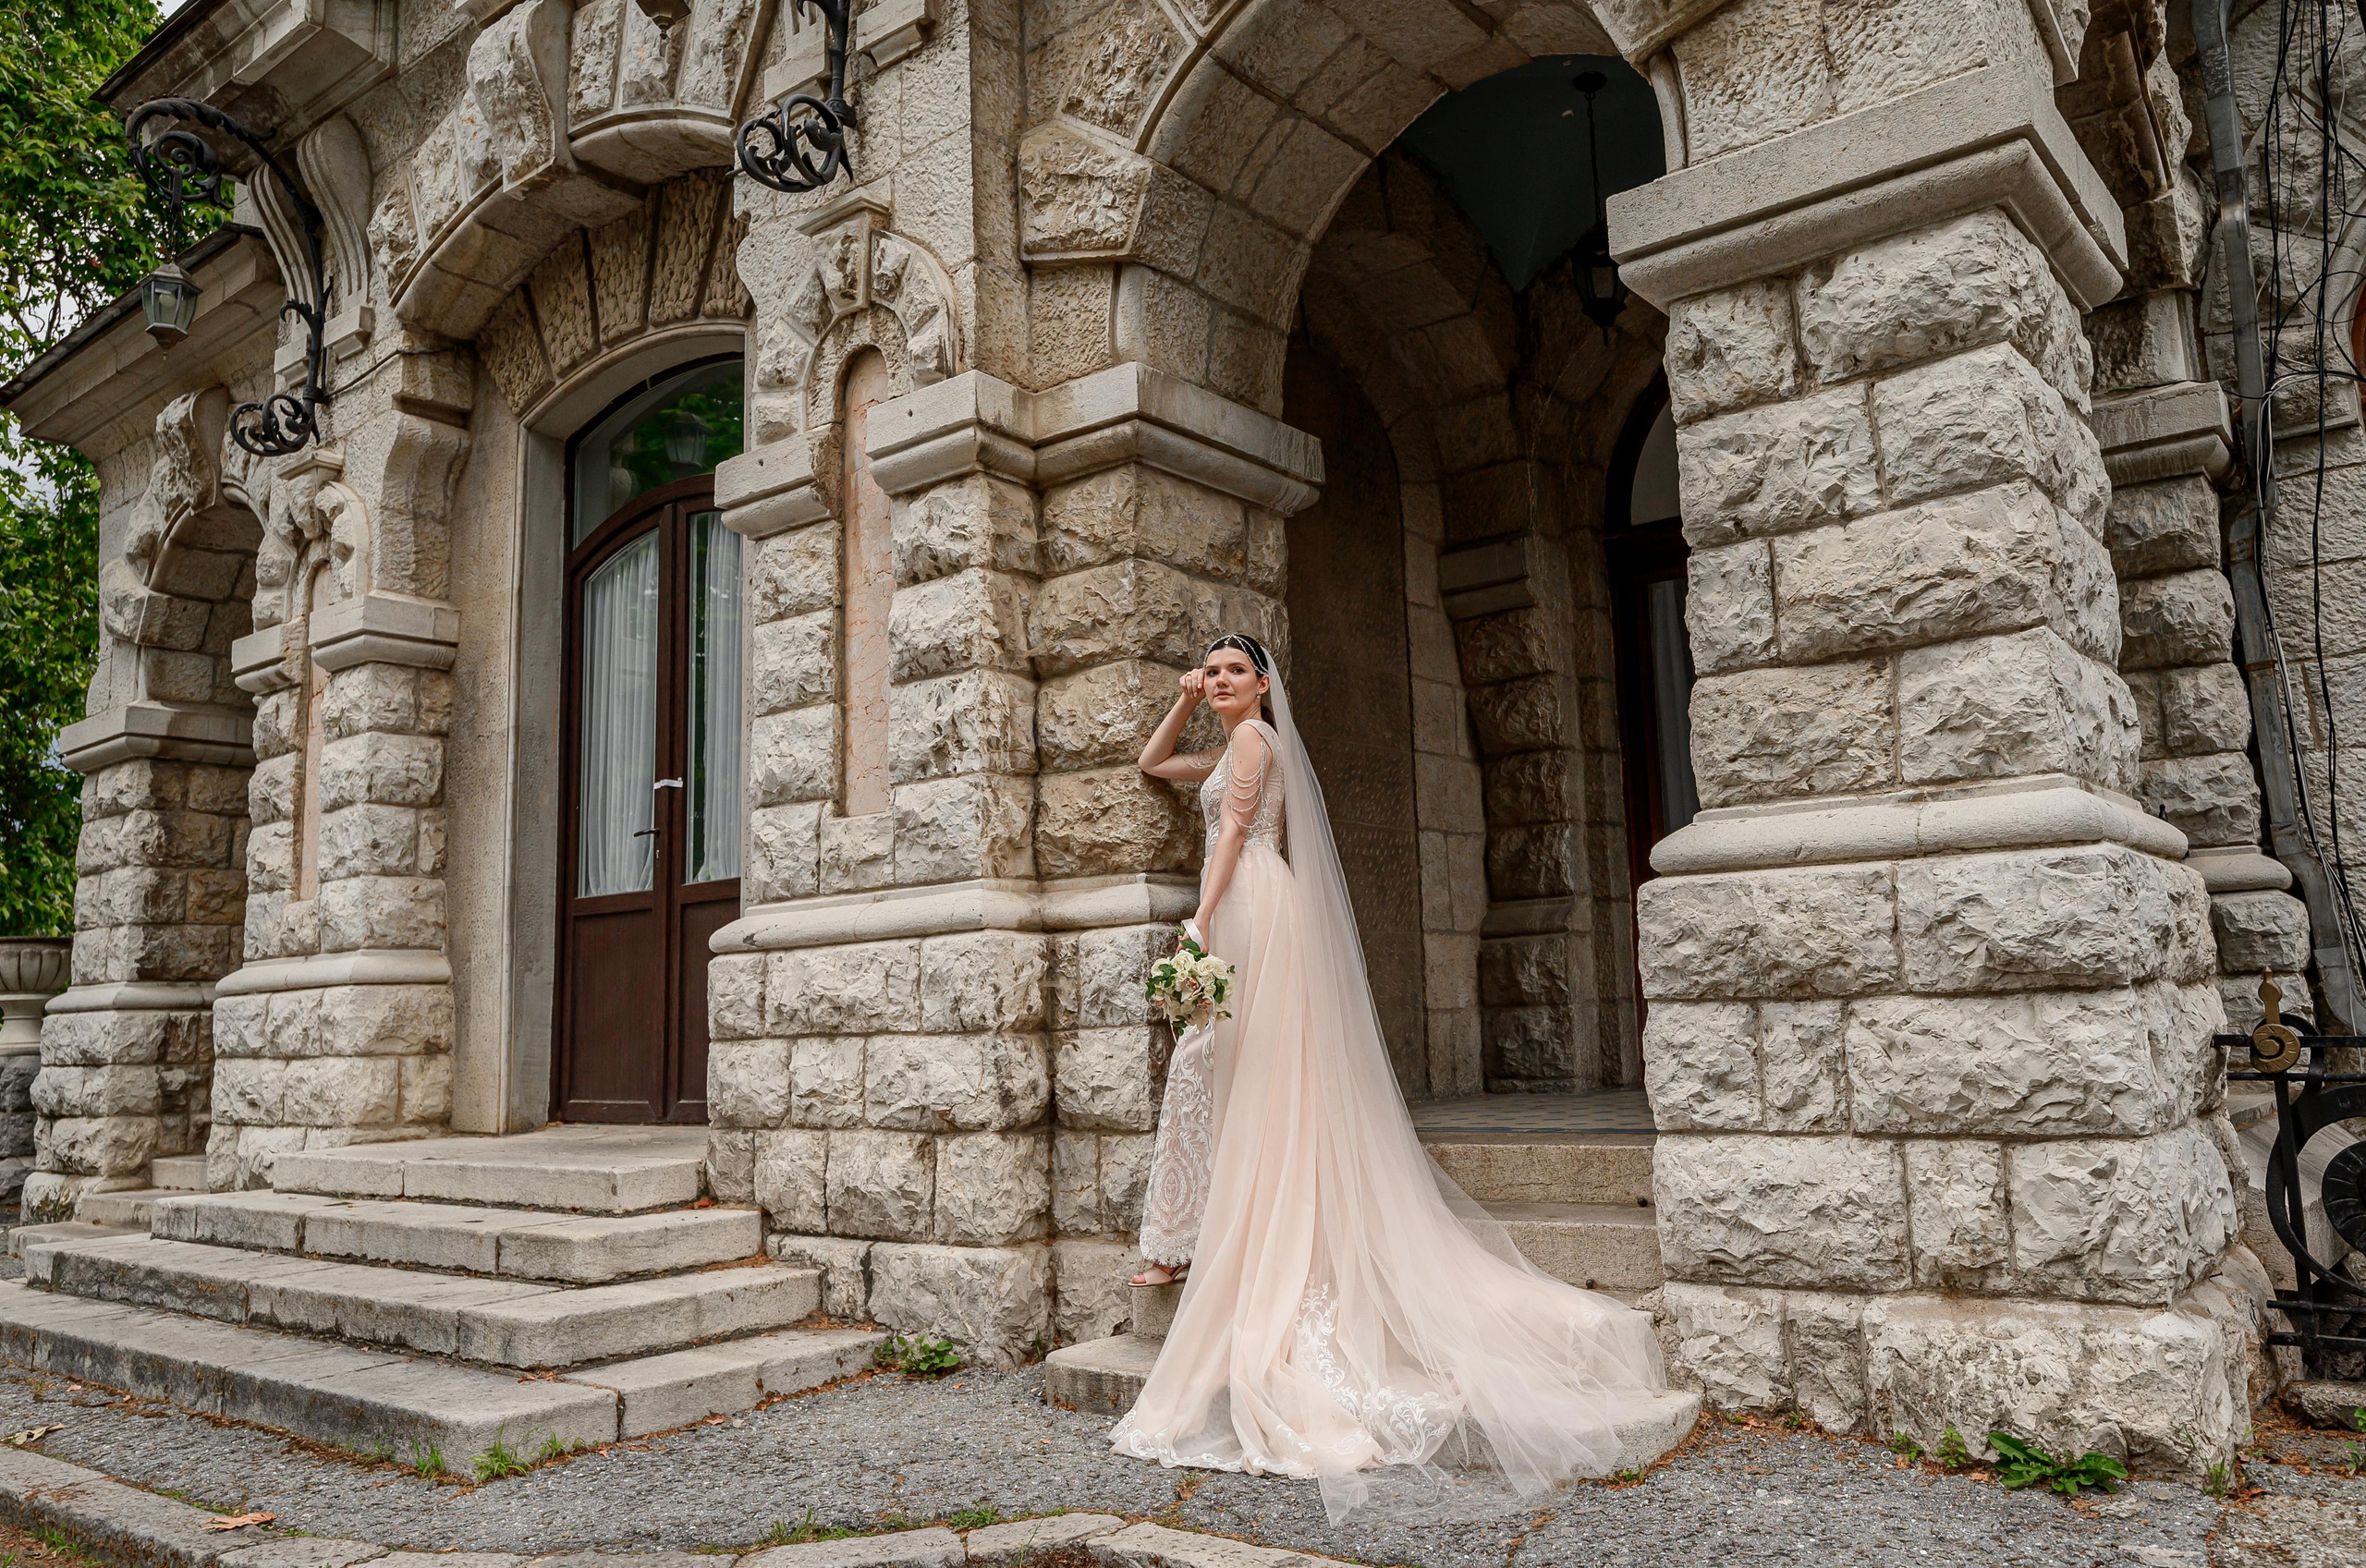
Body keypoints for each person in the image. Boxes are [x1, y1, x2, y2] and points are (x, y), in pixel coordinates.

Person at [1111, 632, 1672, 1520]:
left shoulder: (1252, 739)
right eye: (1209, 671)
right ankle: (1215, 1234)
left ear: (1262, 683)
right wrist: (1181, 699)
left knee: (1247, 1068)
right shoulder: (1233, 741)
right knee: (1238, 1069)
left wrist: (1201, 920)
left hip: (1248, 900)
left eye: (1232, 671)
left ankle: (1245, 1243)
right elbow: (1152, 763)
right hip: (1255, 901)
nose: (1218, 681)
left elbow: (1234, 834)